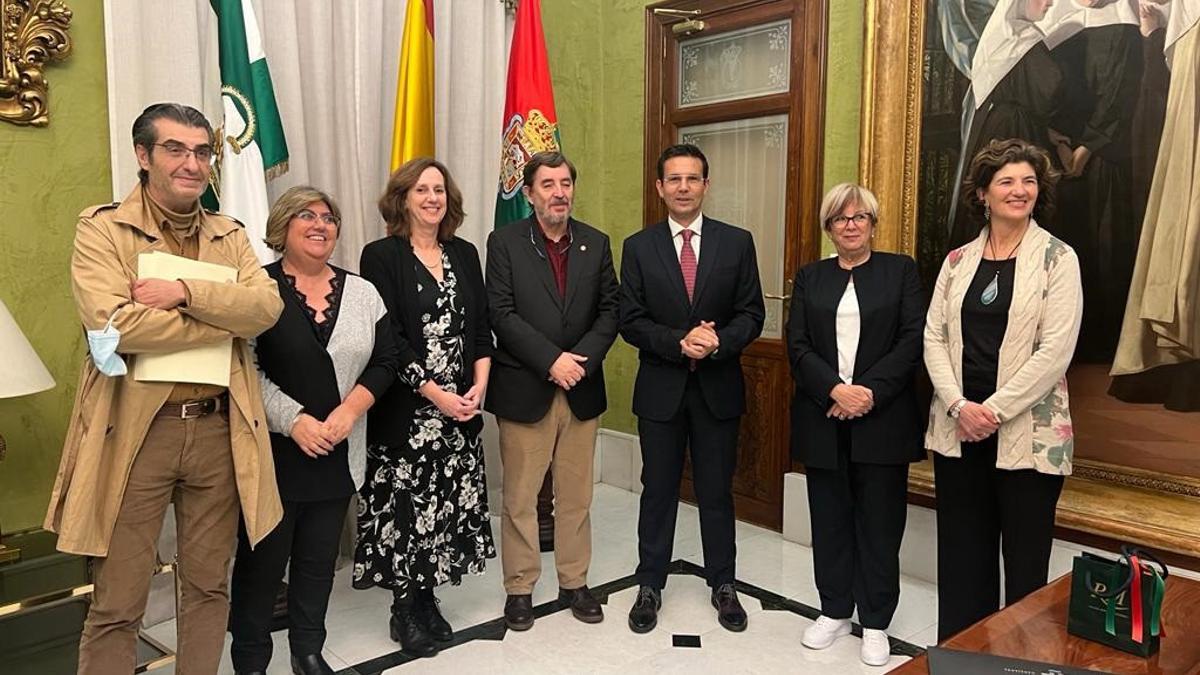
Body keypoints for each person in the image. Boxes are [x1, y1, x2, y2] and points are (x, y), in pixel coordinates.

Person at [44, 102, 284, 674]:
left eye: (202, 151)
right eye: (175, 149)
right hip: (135, 433)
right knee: (118, 602)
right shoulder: (102, 228)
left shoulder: (231, 234)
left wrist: (184, 292)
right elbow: (114, 324)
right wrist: (223, 320)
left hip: (219, 432)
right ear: (143, 155)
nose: (192, 163)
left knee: (207, 589)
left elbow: (267, 306)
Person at [228, 186, 398, 675]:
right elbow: (244, 369)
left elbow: (386, 361)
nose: (320, 224)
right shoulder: (256, 290)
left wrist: (349, 413)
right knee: (261, 569)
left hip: (339, 453)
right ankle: (252, 661)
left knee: (317, 564)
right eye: (307, 215)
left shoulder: (363, 293)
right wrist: (295, 421)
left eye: (329, 216)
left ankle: (307, 651)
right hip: (275, 456)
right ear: (283, 226)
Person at [925, 138, 1083, 640]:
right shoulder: (956, 262)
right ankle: (960, 659)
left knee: (1025, 568)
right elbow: (934, 336)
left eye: (1029, 181)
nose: (1020, 191)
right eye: (1007, 182)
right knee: (962, 559)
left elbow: (1055, 352)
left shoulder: (1059, 259)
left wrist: (989, 411)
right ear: (983, 194)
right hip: (957, 432)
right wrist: (957, 406)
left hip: (1028, 436)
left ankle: (1018, 665)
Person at [619, 144, 765, 635]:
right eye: (674, 179)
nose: (683, 187)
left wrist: (717, 341)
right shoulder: (639, 247)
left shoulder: (736, 242)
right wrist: (680, 342)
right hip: (661, 391)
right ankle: (650, 584)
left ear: (706, 184)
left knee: (716, 492)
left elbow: (752, 313)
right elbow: (631, 320)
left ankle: (723, 583)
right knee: (656, 490)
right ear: (660, 187)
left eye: (693, 178)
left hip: (717, 390)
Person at [355, 158, 496, 658]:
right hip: (408, 412)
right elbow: (388, 339)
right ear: (403, 199)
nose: (432, 198)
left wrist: (477, 388)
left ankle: (428, 598)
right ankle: (404, 607)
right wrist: (434, 393)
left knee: (444, 510)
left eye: (439, 190)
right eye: (422, 190)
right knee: (407, 513)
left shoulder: (464, 253)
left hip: (460, 410)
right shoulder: (381, 255)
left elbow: (480, 329)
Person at [786, 184, 925, 666]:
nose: (850, 225)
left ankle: (877, 622)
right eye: (840, 218)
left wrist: (866, 392)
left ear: (872, 223)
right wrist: (835, 390)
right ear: (829, 226)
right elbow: (798, 344)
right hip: (823, 417)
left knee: (881, 525)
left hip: (882, 419)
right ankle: (834, 610)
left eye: (860, 216)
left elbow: (912, 340)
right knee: (829, 520)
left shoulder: (900, 271)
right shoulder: (811, 277)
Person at [485, 152, 620, 630]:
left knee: (577, 495)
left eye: (565, 183)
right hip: (527, 387)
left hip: (580, 388)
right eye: (547, 184)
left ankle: (574, 580)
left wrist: (577, 362)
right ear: (529, 193)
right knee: (520, 498)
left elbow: (610, 311)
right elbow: (501, 313)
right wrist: (551, 361)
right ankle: (519, 587)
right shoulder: (503, 243)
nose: (558, 192)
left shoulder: (596, 243)